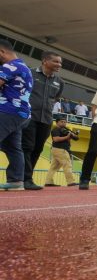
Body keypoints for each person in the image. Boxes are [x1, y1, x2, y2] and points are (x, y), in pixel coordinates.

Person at [22, 51, 64, 190]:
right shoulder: (30, 73)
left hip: (46, 119)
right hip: (29, 116)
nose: (59, 64)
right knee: (27, 147)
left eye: (60, 62)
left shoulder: (59, 82)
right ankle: (25, 179)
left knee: (37, 149)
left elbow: (55, 98)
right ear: (45, 61)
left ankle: (26, 178)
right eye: (56, 61)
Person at [0, 39, 34, 190]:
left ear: (1, 52)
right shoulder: (24, 66)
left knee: (13, 147)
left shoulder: (9, 66)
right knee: (13, 147)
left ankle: (15, 180)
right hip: (21, 113)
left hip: (8, 111)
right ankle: (15, 181)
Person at [44, 117, 78, 186]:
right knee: (67, 165)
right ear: (57, 122)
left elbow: (76, 138)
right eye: (62, 121)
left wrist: (73, 134)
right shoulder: (56, 130)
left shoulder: (66, 130)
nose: (64, 123)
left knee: (54, 167)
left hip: (58, 149)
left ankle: (48, 182)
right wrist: (67, 137)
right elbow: (56, 139)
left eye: (65, 122)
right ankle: (70, 181)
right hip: (60, 149)